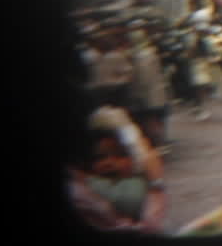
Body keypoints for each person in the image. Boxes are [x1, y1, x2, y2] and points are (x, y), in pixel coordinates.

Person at [66, 106, 166, 234]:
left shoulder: (137, 183)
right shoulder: (87, 187)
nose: (109, 163)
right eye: (100, 157)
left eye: (120, 155)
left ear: (133, 161)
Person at [126, 24, 170, 154]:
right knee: (156, 119)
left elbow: (143, 78)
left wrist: (137, 92)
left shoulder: (141, 56)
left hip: (148, 94)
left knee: (150, 120)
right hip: (157, 91)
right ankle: (160, 143)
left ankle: (157, 144)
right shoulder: (150, 52)